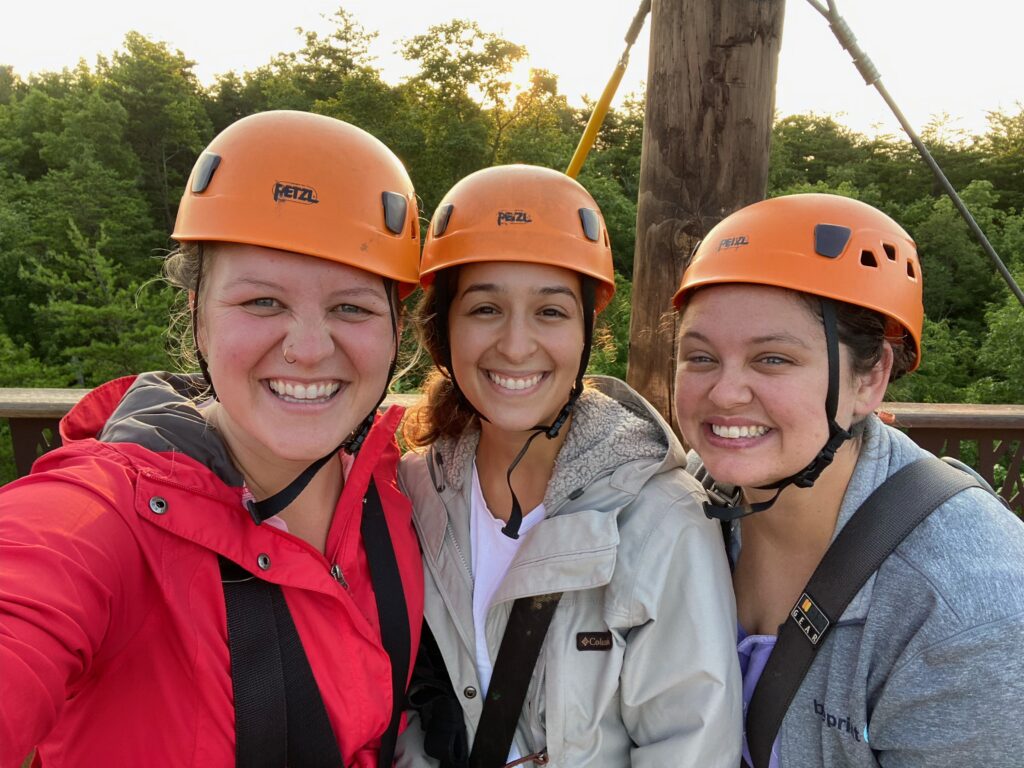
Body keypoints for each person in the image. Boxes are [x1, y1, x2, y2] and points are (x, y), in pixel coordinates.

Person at [0, 110, 424, 767]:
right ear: (197, 320)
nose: (309, 349)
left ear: (397, 334)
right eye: (262, 302)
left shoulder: (398, 496)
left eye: (351, 307)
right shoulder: (112, 514)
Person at [395, 164, 741, 768]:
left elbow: (689, 746)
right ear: (442, 329)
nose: (516, 344)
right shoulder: (419, 490)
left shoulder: (661, 519)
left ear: (585, 333)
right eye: (484, 309)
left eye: (551, 312)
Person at [672, 192, 1024, 768]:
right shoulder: (692, 496)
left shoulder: (965, 611)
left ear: (871, 378)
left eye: (773, 359)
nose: (725, 393)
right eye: (701, 357)